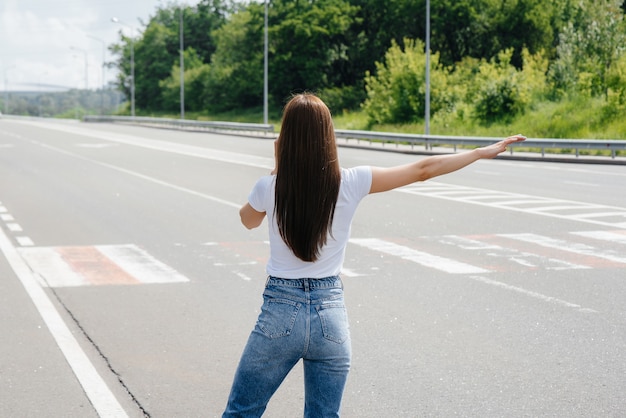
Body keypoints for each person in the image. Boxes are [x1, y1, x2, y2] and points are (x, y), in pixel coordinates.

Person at [222, 93, 525, 417]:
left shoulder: (268, 187)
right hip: (330, 319)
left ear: (286, 138)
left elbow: (247, 220)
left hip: (279, 315)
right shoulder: (350, 182)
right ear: (328, 135)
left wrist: (278, 167)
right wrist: (480, 152)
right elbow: (424, 168)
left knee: (241, 412)